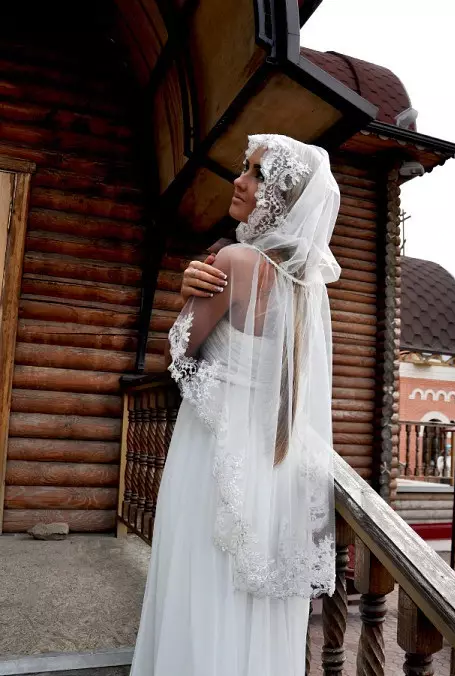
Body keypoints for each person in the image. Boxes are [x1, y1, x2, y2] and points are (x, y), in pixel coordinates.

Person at [131, 134, 341, 676]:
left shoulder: (235, 260)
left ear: (282, 201)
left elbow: (178, 353)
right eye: (242, 170)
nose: (240, 182)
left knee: (200, 582)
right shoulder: (306, 289)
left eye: (256, 176)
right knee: (248, 603)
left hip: (213, 454)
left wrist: (185, 297)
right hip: (273, 467)